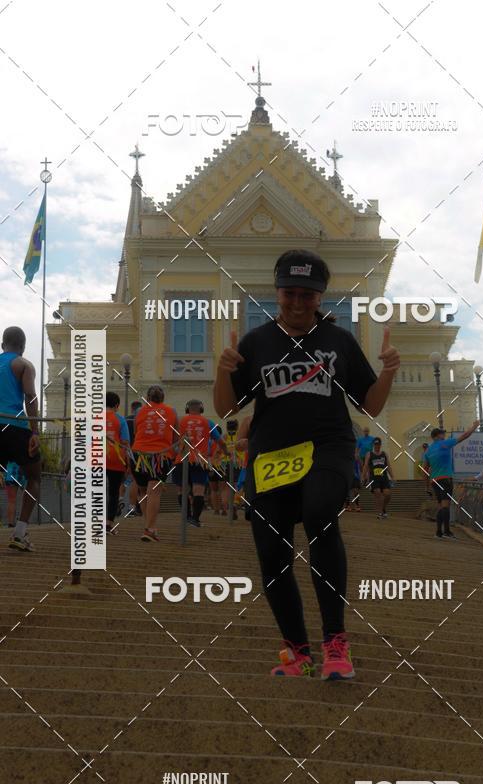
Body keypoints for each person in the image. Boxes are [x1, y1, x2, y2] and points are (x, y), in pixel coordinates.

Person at [214, 248, 400, 680]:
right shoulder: (256, 342)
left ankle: (336, 642)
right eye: (289, 294)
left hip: (328, 448)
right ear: (277, 293)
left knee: (319, 513)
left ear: (321, 297)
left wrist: (388, 371)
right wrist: (223, 370)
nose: (298, 303)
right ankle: (297, 651)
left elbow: (369, 406)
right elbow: (227, 409)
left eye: (308, 295)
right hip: (272, 455)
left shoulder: (338, 341)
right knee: (272, 552)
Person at [0, 327, 41, 551]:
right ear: (23, 347)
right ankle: (19, 533)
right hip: (15, 428)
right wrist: (35, 432)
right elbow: (30, 396)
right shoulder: (23, 365)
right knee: (34, 477)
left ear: (2, 344)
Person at [131, 385, 178, 542]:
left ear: (148, 398)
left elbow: (137, 432)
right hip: (160, 456)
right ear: (162, 398)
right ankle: (149, 529)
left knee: (143, 491)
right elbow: (176, 439)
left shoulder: (140, 412)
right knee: (154, 491)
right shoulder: (171, 412)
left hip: (138, 455)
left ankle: (149, 526)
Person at [422, 421, 480, 540]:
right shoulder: (444, 444)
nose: (444, 435)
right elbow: (464, 436)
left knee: (441, 506)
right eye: (443, 434)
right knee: (445, 506)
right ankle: (447, 532)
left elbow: (425, 469)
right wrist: (474, 426)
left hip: (435, 481)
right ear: (438, 436)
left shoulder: (428, 450)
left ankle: (439, 533)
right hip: (445, 479)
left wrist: (427, 486)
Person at [174, 399, 212, 527]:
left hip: (181, 460)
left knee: (182, 490)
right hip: (199, 461)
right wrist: (225, 452)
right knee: (198, 490)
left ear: (186, 409)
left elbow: (173, 441)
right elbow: (219, 440)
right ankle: (195, 519)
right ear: (201, 409)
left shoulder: (179, 421)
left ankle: (186, 516)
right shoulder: (208, 422)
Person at [105, 392, 130, 534]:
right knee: (114, 493)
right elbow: (125, 442)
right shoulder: (120, 419)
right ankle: (109, 524)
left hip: (96, 459)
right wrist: (128, 463)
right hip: (116, 459)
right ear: (116, 406)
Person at [363, 437, 394, 518]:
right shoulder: (369, 454)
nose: (377, 446)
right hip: (374, 478)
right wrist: (363, 477)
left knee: (388, 495)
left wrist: (392, 477)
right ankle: (380, 513)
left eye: (378, 444)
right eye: (376, 444)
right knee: (378, 493)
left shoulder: (384, 454)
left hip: (384, 478)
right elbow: (365, 466)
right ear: (373, 445)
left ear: (380, 445)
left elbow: (388, 466)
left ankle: (383, 508)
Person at [126, 401, 143, 516]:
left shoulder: (125, 419)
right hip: (139, 451)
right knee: (137, 481)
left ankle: (123, 501)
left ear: (132, 408)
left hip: (127, 451)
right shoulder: (142, 419)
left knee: (129, 480)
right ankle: (132, 507)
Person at [3, 461, 23, 527]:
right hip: (17, 473)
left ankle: (11, 522)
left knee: (11, 500)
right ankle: (16, 522)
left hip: (8, 474)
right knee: (14, 500)